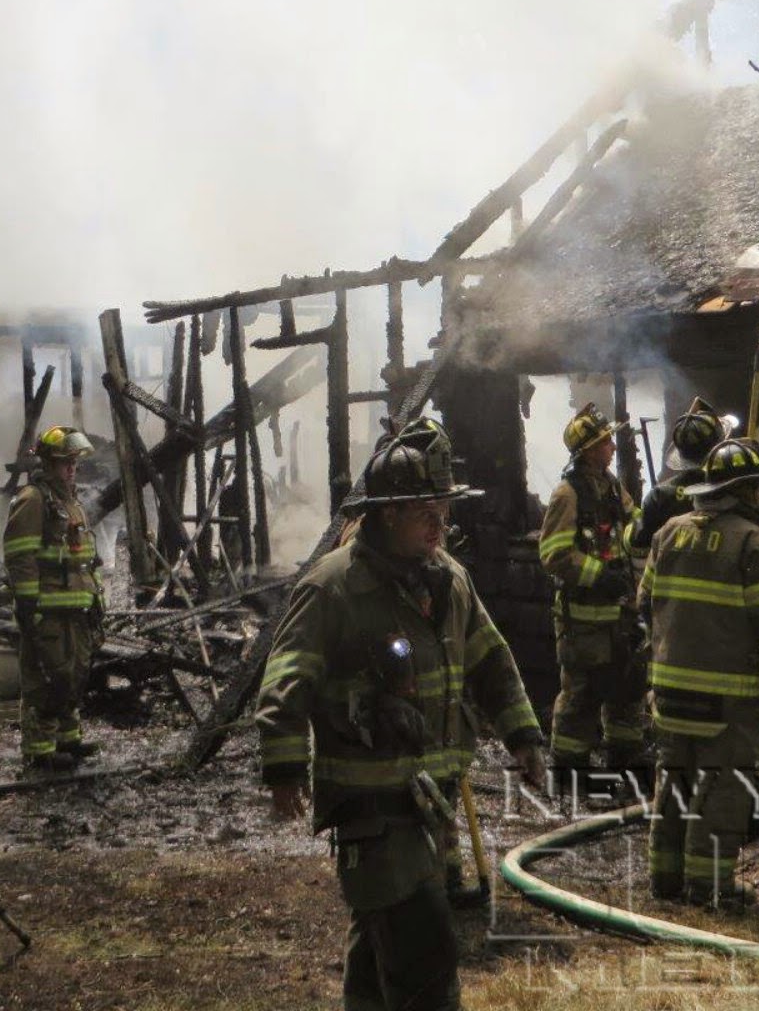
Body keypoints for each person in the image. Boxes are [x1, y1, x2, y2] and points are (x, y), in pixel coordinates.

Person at [257, 418, 545, 1011]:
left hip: (430, 802)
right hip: (371, 805)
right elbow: (287, 677)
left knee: (380, 943)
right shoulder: (334, 588)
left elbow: (491, 657)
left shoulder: (450, 580)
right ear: (387, 515)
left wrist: (523, 734)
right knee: (424, 957)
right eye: (426, 514)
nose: (441, 526)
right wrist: (284, 769)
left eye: (444, 511)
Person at [641, 437, 759, 909]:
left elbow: (643, 604)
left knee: (674, 780)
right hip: (726, 699)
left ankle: (665, 879)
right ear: (746, 491)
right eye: (756, 488)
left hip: (668, 691)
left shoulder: (668, 532)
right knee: (722, 786)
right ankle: (709, 886)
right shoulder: (752, 543)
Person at [538, 403, 649, 783]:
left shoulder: (614, 488)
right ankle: (569, 768)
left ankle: (626, 756)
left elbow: (635, 528)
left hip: (620, 613)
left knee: (627, 685)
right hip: (583, 619)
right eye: (605, 442)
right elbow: (554, 554)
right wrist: (599, 575)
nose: (613, 447)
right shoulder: (567, 495)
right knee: (582, 694)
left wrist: (653, 519)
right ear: (587, 450)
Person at [3, 425, 104, 771]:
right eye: (65, 463)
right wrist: (29, 606)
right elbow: (20, 555)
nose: (71, 469)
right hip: (48, 608)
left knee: (74, 675)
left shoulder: (71, 503)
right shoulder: (33, 499)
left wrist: (96, 599)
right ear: (47, 464)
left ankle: (67, 739)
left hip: (76, 608)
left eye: (74, 462)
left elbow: (88, 557)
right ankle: (39, 748)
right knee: (47, 678)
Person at [631, 398, 732, 552]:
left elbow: (638, 540)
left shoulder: (659, 495)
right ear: (718, 449)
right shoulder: (732, 492)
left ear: (681, 455)